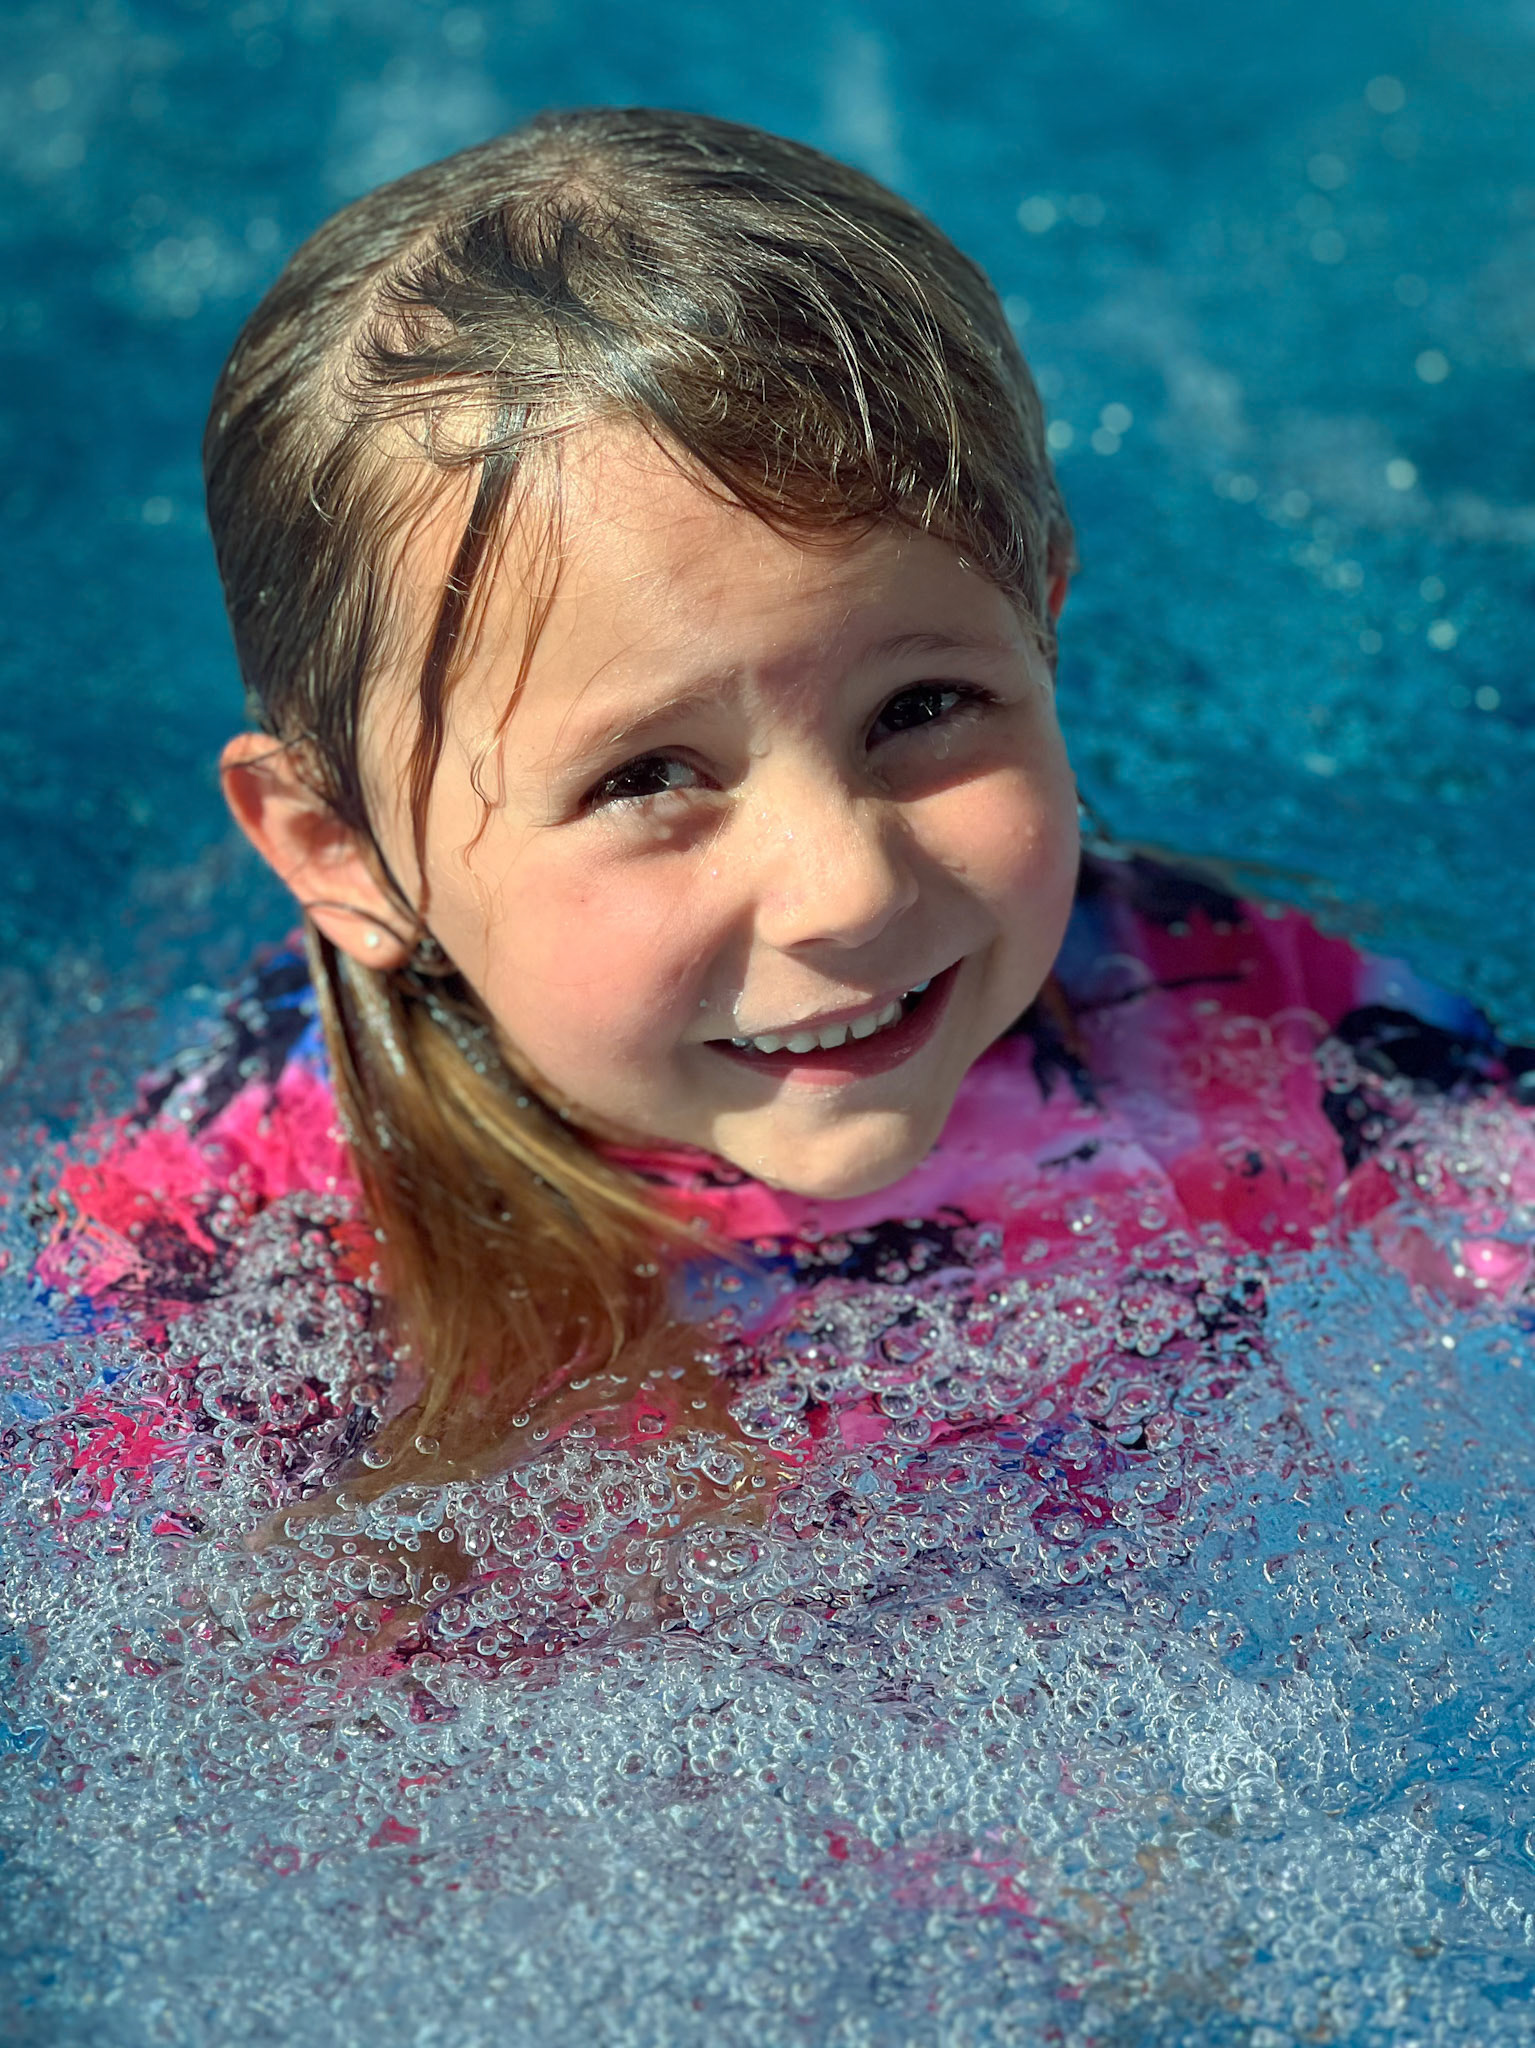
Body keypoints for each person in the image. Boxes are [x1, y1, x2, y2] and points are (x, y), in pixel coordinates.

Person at [38, 108, 1535, 1606]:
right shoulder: (235, 1238)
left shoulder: (1252, 1017)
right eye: (646, 778)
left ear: (1043, 629)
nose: (851, 888)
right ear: (345, 853)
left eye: (923, 707)